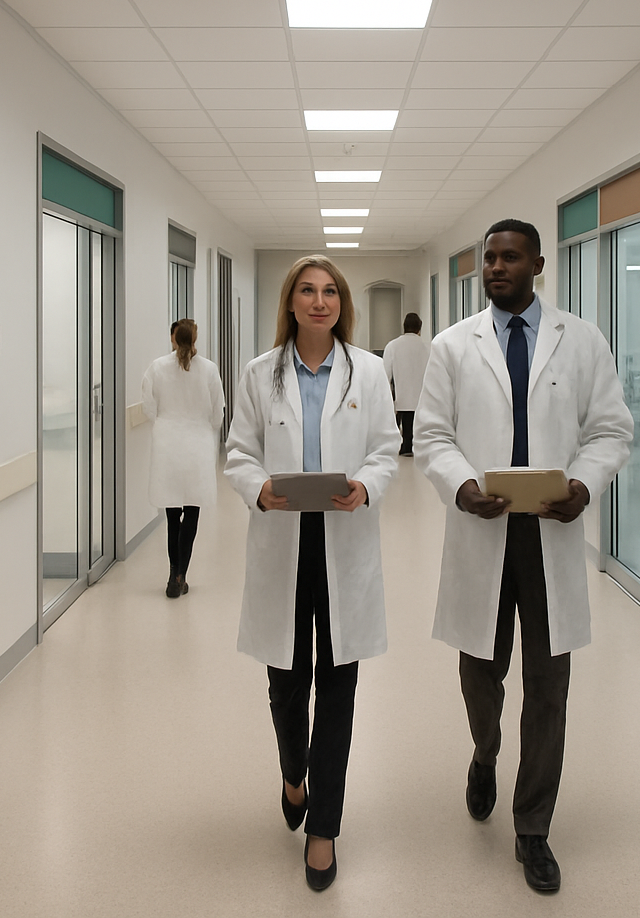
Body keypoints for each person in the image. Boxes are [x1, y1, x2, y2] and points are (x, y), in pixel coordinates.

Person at [414, 219, 633, 894]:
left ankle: (533, 826)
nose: (496, 267)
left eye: (510, 257)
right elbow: (432, 435)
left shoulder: (582, 341)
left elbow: (611, 430)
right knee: (480, 674)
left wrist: (583, 485)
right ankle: (485, 752)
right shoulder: (453, 346)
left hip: (548, 535)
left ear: (538, 263)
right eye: (490, 258)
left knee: (548, 686)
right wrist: (462, 485)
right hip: (483, 531)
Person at [224, 255, 399, 891]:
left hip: (344, 541)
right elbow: (239, 452)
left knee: (339, 686)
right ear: (291, 303)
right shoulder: (259, 373)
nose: (320, 301)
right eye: (307, 290)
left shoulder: (368, 371)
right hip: (284, 541)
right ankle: (293, 773)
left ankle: (324, 828)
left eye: (330, 291)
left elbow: (386, 448)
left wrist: (366, 486)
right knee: (287, 683)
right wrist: (259, 487)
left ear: (341, 304)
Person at [141, 318, 224, 598]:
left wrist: (166, 423)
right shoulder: (209, 369)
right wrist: (203, 427)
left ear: (172, 338)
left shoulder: (157, 367)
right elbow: (218, 413)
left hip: (168, 446)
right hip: (197, 446)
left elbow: (148, 408)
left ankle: (172, 573)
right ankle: (181, 576)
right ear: (195, 339)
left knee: (172, 515)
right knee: (192, 512)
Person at [382, 312, 431, 456]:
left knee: (405, 424)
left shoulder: (393, 346)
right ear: (419, 329)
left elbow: (385, 374)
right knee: (419, 426)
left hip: (401, 397)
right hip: (423, 397)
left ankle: (405, 446)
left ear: (404, 327)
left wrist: (388, 397)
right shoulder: (428, 347)